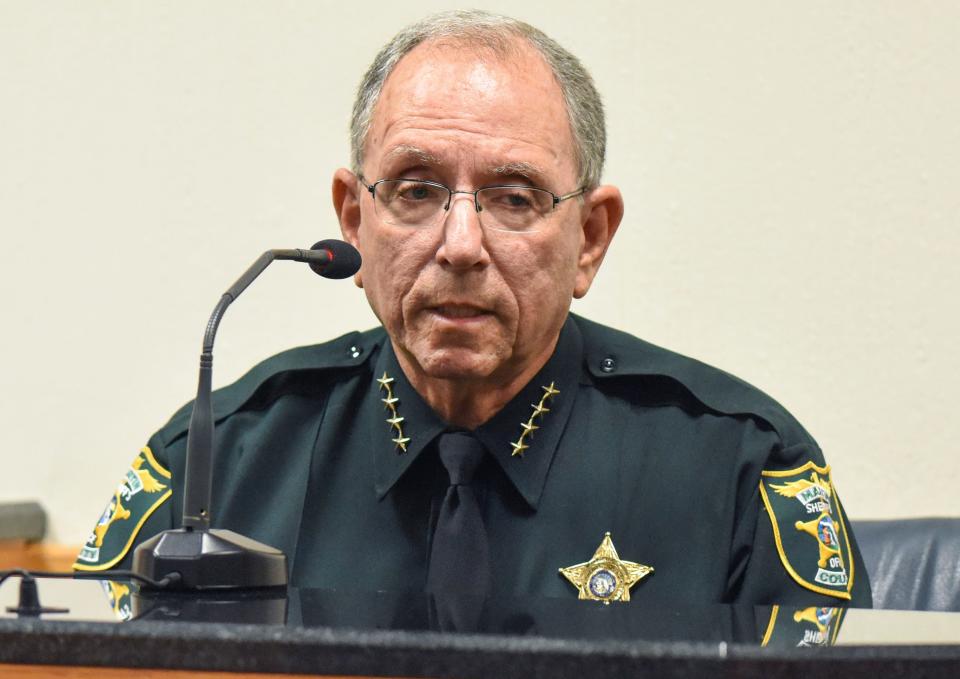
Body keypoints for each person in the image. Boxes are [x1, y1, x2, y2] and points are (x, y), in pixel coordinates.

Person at [74, 9, 871, 608]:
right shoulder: (218, 462)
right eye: (416, 190)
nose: (460, 243)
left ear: (590, 238)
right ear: (354, 220)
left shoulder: (739, 467)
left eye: (514, 196)